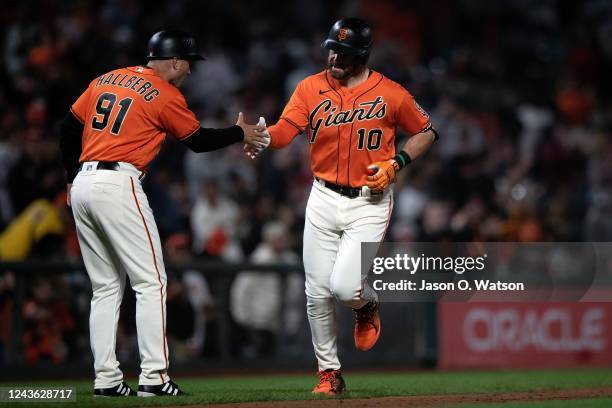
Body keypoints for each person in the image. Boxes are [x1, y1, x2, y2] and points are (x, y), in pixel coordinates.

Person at [59, 30, 267, 397]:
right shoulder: (166, 93)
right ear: (173, 61)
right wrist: (239, 132)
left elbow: (67, 128)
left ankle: (106, 380)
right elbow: (198, 142)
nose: (190, 70)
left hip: (83, 183)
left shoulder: (105, 79)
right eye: (188, 62)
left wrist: (69, 181)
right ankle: (154, 377)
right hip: (118, 183)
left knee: (105, 288)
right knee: (151, 282)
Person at [247, 18, 438, 394]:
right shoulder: (310, 87)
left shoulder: (390, 92)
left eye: (344, 52)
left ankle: (366, 305)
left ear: (363, 55)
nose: (334, 56)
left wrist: (398, 162)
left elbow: (427, 130)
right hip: (322, 196)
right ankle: (329, 374)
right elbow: (287, 130)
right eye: (332, 48)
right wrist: (264, 136)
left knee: (346, 288)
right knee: (316, 291)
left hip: (369, 198)